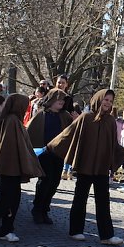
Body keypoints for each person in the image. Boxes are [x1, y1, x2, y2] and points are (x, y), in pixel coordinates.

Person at [47, 89, 124, 246]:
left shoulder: (110, 121)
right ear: (98, 99)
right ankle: (75, 230)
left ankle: (106, 235)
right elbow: (68, 134)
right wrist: (50, 147)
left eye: (110, 101)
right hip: (85, 165)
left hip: (102, 167)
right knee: (80, 198)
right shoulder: (86, 118)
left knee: (103, 201)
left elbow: (114, 146)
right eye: (106, 99)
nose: (108, 103)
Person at [0, 93, 44, 242]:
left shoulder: (13, 120)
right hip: (6, 169)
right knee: (7, 198)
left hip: (12, 168)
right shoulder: (11, 121)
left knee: (14, 199)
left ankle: (7, 229)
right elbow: (9, 148)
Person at [27, 88, 72, 224]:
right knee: (45, 181)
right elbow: (30, 132)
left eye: (63, 100)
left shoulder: (65, 116)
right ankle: (37, 209)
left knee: (54, 182)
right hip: (44, 153)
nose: (62, 102)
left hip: (58, 154)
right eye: (59, 99)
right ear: (52, 100)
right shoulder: (41, 115)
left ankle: (45, 209)